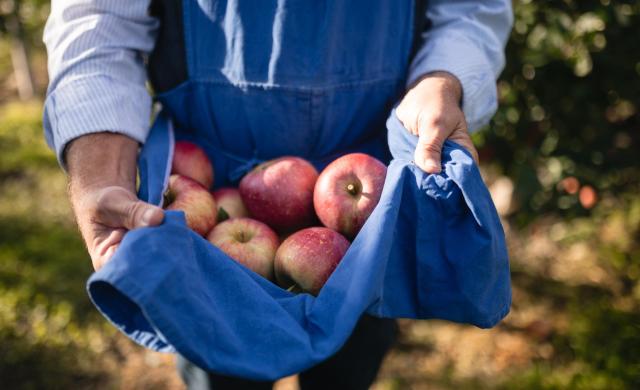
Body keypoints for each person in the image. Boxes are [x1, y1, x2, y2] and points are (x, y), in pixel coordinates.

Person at [43, 0, 512, 388]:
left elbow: (469, 11)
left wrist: (443, 78)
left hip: (365, 213)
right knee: (218, 369)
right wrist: (100, 172)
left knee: (351, 364)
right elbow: (97, 24)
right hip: (211, 201)